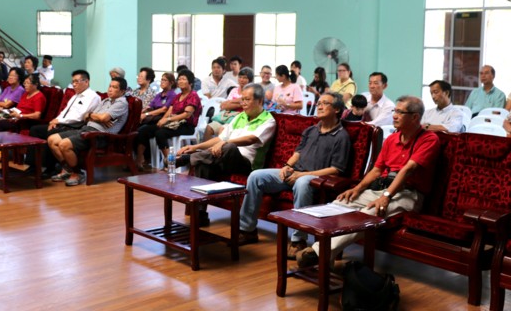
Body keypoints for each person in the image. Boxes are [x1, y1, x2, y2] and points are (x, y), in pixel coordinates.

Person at [296, 96, 440, 269]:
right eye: (394, 111)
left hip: (408, 194)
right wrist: (357, 189)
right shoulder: (392, 139)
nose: (394, 116)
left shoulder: (429, 139)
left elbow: (407, 170)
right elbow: (377, 170)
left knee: (368, 213)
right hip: (380, 187)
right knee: (339, 204)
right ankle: (328, 261)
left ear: (415, 117)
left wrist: (386, 196)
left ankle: (318, 253)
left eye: (400, 112)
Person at [238, 93, 351, 256]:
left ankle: (298, 240)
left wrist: (303, 175)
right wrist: (287, 166)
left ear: (337, 109)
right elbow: (298, 152)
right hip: (295, 172)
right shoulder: (311, 130)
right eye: (319, 103)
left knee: (302, 182)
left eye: (325, 103)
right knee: (256, 176)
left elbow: (336, 169)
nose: (319, 106)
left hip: (317, 177)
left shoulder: (341, 136)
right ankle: (247, 229)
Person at [178, 83, 277, 225]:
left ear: (260, 101)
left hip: (247, 165)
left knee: (230, 146)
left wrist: (225, 143)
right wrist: (195, 147)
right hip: (226, 159)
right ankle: (200, 215)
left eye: (247, 100)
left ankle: (188, 159)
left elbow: (251, 139)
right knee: (203, 164)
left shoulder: (268, 120)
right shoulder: (240, 117)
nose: (243, 103)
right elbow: (220, 139)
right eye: (242, 99)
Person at [47, 77, 129, 186]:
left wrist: (97, 117)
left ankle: (77, 173)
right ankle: (68, 170)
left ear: (122, 91)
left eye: (114, 87)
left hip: (99, 135)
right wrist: (94, 116)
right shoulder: (106, 101)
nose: (110, 89)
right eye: (110, 86)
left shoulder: (121, 103)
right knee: (52, 140)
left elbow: (103, 118)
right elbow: (86, 116)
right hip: (86, 129)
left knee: (63, 145)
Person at [26, 69, 101, 176]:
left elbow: (80, 117)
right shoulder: (75, 96)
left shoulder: (92, 97)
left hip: (75, 127)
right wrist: (54, 121)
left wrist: (59, 121)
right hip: (63, 124)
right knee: (35, 130)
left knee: (50, 133)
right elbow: (64, 112)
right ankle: (33, 165)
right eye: (73, 81)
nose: (74, 84)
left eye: (77, 81)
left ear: (86, 82)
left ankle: (51, 168)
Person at [0, 74, 48, 163]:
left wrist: (21, 116)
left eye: (27, 83)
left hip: (26, 122)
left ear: (35, 84)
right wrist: (8, 112)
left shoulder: (39, 97)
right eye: (24, 83)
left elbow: (37, 115)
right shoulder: (25, 94)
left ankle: (1, 154)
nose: (25, 85)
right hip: (15, 117)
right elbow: (19, 108)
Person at [154, 69, 202, 163]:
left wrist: (167, 120)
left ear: (190, 82)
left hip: (187, 125)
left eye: (183, 79)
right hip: (175, 123)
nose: (180, 81)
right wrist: (162, 120)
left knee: (161, 133)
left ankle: (170, 161)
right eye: (179, 79)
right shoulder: (178, 96)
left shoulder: (193, 95)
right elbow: (170, 110)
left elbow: (186, 114)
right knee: (148, 130)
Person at [135, 72, 177, 170]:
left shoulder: (172, 95)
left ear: (171, 83)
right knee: (137, 130)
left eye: (165, 80)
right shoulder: (159, 95)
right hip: (153, 119)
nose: (162, 82)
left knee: (143, 131)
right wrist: (141, 112)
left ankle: (142, 159)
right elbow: (150, 106)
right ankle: (141, 158)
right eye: (161, 80)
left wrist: (146, 114)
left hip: (163, 120)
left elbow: (164, 109)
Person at [203, 67, 254, 141]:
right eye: (240, 77)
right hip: (227, 117)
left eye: (245, 78)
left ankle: (219, 148)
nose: (241, 80)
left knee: (222, 129)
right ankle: (206, 148)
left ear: (250, 80)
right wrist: (238, 103)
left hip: (239, 119)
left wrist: (231, 102)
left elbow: (244, 104)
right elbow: (224, 106)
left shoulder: (251, 92)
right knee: (209, 127)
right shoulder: (234, 90)